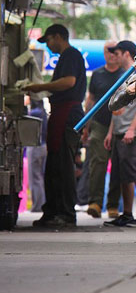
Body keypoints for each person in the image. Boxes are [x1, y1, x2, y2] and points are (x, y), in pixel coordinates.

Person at [25, 24, 86, 228]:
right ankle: (52, 210)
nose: (49, 46)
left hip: (68, 114)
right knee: (53, 165)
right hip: (60, 112)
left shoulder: (71, 55)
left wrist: (41, 87)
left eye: (49, 40)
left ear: (58, 36)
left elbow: (68, 82)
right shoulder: (66, 57)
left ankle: (66, 213)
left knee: (63, 165)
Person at [102, 41, 136, 228]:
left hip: (132, 133)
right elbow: (115, 108)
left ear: (126, 54)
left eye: (118, 53)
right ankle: (127, 214)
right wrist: (110, 132)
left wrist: (132, 129)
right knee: (124, 174)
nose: (115, 57)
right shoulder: (122, 77)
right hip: (119, 131)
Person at [84, 41, 124, 219]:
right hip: (99, 124)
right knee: (97, 163)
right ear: (104, 53)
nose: (112, 54)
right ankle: (95, 202)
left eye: (116, 51)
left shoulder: (125, 74)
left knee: (118, 165)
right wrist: (86, 126)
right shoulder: (97, 73)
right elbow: (90, 99)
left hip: (121, 124)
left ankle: (113, 205)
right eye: (109, 51)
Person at [26, 99, 47, 212]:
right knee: (39, 176)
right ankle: (40, 203)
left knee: (35, 177)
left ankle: (38, 205)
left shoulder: (34, 113)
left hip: (35, 146)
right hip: (43, 146)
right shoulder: (42, 112)